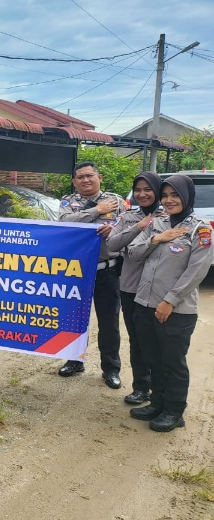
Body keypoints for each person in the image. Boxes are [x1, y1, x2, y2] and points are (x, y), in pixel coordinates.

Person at [126, 174, 212, 432]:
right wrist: (157, 239)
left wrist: (170, 301)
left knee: (172, 362)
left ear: (186, 197)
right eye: (165, 196)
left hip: (175, 310)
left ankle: (174, 411)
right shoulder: (157, 223)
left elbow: (197, 270)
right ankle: (158, 402)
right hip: (144, 303)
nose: (169, 200)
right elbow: (133, 252)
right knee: (152, 358)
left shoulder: (201, 229)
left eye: (175, 195)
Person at [58, 161, 126, 387]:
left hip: (106, 270)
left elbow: (128, 228)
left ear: (100, 177)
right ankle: (74, 360)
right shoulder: (69, 202)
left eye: (90, 176)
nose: (85, 180)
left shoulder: (116, 202)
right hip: (77, 272)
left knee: (109, 323)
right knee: (74, 320)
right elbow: (65, 224)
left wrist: (113, 229)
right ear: (74, 181)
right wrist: (97, 211)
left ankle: (111, 369)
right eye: (80, 177)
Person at [106, 172, 162, 405]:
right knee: (137, 340)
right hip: (131, 288)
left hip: (160, 290)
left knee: (160, 342)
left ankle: (162, 393)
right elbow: (112, 244)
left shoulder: (171, 216)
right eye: (137, 190)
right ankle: (141, 387)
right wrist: (139, 226)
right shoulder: (128, 217)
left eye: (147, 189)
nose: (142, 194)